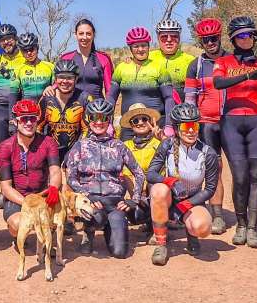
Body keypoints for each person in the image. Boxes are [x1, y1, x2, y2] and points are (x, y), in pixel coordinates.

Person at [212, 16, 257, 248]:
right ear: (234, 39)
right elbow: (218, 84)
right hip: (231, 121)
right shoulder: (224, 61)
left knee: (256, 174)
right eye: (241, 36)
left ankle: (254, 227)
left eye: (250, 35)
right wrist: (247, 75)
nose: (246, 39)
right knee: (239, 175)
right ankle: (241, 224)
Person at [64, 99, 145, 258]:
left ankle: (111, 227)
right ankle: (89, 233)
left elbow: (139, 173)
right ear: (88, 119)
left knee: (120, 253)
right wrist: (87, 196)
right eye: (94, 117)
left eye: (103, 118)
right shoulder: (80, 146)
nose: (99, 122)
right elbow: (70, 177)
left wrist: (134, 200)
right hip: (91, 202)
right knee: (97, 215)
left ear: (109, 120)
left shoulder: (119, 146)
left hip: (115, 203)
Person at [147, 103, 219, 266]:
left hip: (193, 200)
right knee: (158, 190)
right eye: (186, 126)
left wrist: (186, 205)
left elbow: (209, 189)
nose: (191, 130)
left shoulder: (208, 153)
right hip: (170, 198)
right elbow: (151, 174)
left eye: (195, 125)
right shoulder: (167, 145)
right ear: (177, 128)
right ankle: (161, 245)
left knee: (202, 228)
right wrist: (171, 181)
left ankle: (192, 236)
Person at [184, 17, 229, 234]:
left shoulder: (232, 60)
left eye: (213, 38)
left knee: (241, 172)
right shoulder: (196, 65)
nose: (210, 43)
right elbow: (190, 99)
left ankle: (243, 214)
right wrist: (190, 125)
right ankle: (217, 215)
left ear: (220, 38)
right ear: (201, 42)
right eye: (206, 40)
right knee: (215, 169)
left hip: (232, 122)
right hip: (207, 124)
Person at [0, 99, 62, 240]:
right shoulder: (5, 147)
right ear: (15, 121)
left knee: (55, 221)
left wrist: (53, 188)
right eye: (24, 119)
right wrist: (28, 203)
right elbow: (6, 187)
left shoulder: (48, 142)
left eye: (32, 119)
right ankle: (17, 237)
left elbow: (55, 171)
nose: (28, 123)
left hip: (42, 195)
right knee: (17, 224)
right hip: (17, 197)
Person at [109, 27, 174, 141]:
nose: (140, 49)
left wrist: (169, 125)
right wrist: (108, 122)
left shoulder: (159, 68)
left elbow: (169, 98)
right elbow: (111, 97)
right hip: (129, 125)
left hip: (155, 125)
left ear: (149, 46)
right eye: (136, 46)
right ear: (130, 48)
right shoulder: (121, 68)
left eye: (144, 45)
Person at [118, 102, 163, 240]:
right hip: (136, 194)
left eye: (144, 119)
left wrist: (163, 139)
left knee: (154, 185)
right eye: (135, 120)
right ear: (131, 125)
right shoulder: (125, 146)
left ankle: (159, 230)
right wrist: (136, 197)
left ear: (151, 121)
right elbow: (125, 174)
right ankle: (147, 222)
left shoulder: (159, 142)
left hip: (158, 193)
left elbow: (177, 156)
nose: (140, 123)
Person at [37, 59, 89, 162]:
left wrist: (76, 152)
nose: (65, 81)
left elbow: (86, 130)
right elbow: (38, 127)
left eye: (69, 78)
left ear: (76, 79)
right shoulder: (46, 99)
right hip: (50, 150)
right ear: (55, 79)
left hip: (76, 149)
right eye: (61, 77)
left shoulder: (84, 98)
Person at [56, 18, 113, 99]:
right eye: (81, 33)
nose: (85, 37)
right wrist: (50, 88)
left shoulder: (103, 59)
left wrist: (108, 107)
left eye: (88, 34)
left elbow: (109, 90)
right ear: (75, 35)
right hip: (72, 109)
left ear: (94, 35)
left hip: (97, 108)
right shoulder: (66, 58)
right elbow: (58, 83)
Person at [149, 18, 196, 105]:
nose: (169, 40)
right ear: (158, 39)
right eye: (164, 37)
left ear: (179, 38)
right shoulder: (149, 57)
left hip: (181, 106)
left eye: (174, 36)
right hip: (155, 106)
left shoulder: (190, 60)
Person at [15, 33, 54, 103]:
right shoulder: (18, 69)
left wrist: (52, 87)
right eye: (25, 50)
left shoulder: (50, 66)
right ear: (21, 52)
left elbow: (58, 86)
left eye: (31, 49)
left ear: (37, 48)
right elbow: (13, 94)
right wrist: (12, 113)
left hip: (47, 107)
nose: (29, 53)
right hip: (27, 110)